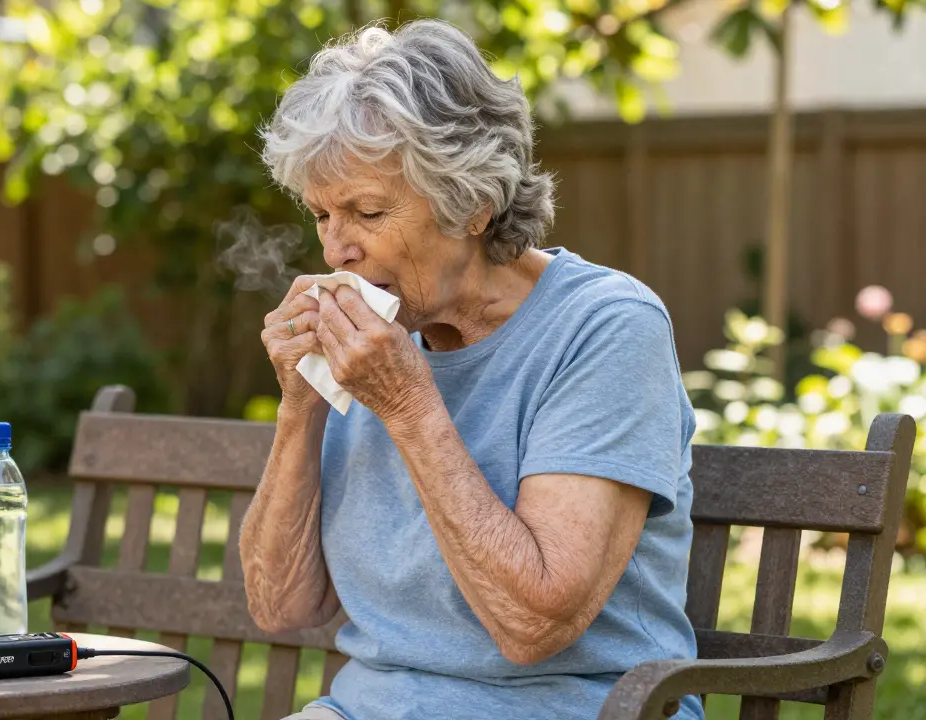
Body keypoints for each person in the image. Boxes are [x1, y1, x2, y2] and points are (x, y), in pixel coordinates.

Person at [238, 18, 702, 720]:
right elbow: (281, 605)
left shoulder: (606, 327)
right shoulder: (379, 345)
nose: (336, 252)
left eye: (366, 211)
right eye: (321, 214)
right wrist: (301, 402)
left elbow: (532, 626)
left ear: (473, 203)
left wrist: (407, 405)